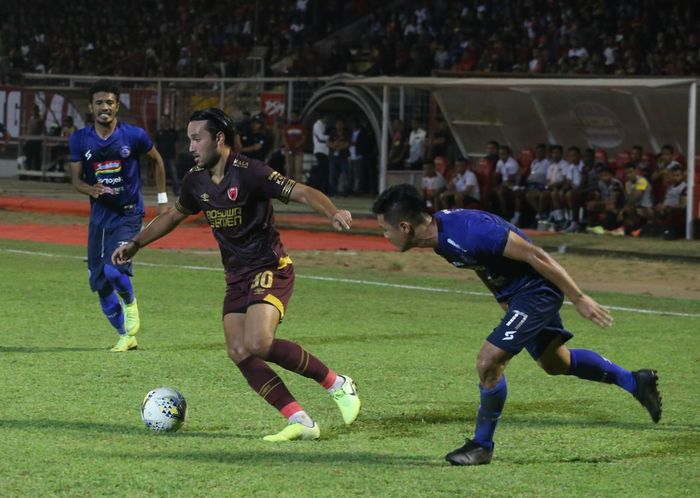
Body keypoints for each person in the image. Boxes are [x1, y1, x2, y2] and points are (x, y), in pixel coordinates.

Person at [112, 107, 361, 442]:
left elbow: (299, 190)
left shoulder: (249, 172)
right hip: (236, 276)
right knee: (238, 350)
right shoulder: (196, 180)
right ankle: (300, 419)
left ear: (218, 138)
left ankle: (336, 384)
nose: (191, 146)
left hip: (270, 267)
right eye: (189, 139)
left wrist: (332, 211)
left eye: (197, 138)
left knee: (258, 342)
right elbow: (173, 216)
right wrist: (136, 244)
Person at [372, 183, 662, 466]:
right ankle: (635, 381)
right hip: (518, 295)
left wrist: (579, 298)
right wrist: (502, 299)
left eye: (385, 229)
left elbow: (536, 255)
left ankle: (482, 446)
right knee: (556, 363)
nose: (384, 235)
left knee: (488, 363)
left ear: (405, 228)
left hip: (537, 292)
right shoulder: (440, 240)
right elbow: (481, 265)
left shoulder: (471, 231)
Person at [69, 80, 168, 353]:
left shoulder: (133, 135)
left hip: (128, 214)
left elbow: (158, 161)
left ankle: (130, 303)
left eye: (110, 102)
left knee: (114, 269)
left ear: (117, 106)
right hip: (100, 218)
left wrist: (162, 201)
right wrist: (91, 189)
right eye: (99, 102)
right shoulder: (79, 139)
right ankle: (126, 336)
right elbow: (76, 180)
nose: (105, 107)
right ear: (91, 107)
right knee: (100, 285)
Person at [155, 114, 181, 195]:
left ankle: (176, 191)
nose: (163, 121)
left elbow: (176, 145)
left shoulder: (173, 132)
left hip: (171, 156)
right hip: (160, 157)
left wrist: (176, 155)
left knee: (174, 174)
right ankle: (161, 191)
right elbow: (156, 145)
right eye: (162, 120)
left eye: (165, 120)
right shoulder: (159, 132)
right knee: (161, 175)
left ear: (168, 121)